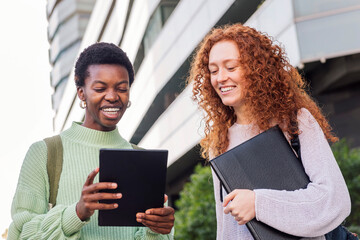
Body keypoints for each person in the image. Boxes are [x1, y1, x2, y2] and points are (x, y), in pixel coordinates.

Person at [188, 23, 351, 240]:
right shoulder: (219, 144)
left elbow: (334, 201)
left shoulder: (296, 122)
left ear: (256, 69)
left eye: (231, 67)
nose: (220, 78)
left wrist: (258, 203)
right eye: (213, 70)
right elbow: (228, 228)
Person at [8, 42, 175, 239]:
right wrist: (76, 213)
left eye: (122, 88)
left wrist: (157, 230)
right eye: (100, 88)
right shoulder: (45, 153)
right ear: (81, 92)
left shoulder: (144, 160)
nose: (112, 97)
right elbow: (21, 234)